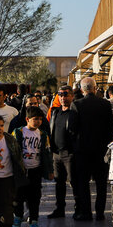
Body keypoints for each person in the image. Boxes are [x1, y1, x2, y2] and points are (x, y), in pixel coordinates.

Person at [73, 77, 113, 221]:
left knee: (83, 183)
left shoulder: (76, 105)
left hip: (82, 150)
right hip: (100, 150)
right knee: (101, 183)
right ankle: (100, 212)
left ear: (82, 90)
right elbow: (111, 127)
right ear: (95, 88)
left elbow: (73, 129)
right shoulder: (104, 104)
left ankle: (86, 212)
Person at [10, 106, 52, 227]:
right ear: (27, 119)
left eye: (40, 119)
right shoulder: (18, 132)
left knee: (34, 197)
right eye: (35, 119)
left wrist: (49, 171)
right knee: (18, 197)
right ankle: (17, 218)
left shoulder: (43, 135)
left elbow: (47, 153)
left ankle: (34, 220)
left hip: (35, 170)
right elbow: (12, 151)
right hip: (21, 171)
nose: (38, 121)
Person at [47, 86, 81, 219]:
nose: (63, 97)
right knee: (59, 183)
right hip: (56, 153)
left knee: (74, 181)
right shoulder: (55, 112)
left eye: (66, 94)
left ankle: (79, 209)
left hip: (69, 153)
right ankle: (59, 209)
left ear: (72, 96)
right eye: (60, 95)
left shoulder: (75, 113)